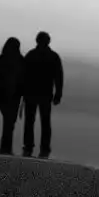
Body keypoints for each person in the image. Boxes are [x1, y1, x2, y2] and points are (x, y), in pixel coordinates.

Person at [18, 31, 64, 159]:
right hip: (40, 94)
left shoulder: (32, 55)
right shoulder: (52, 56)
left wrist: (58, 94)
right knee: (42, 122)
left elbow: (58, 77)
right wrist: (58, 94)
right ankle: (41, 148)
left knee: (33, 121)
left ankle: (31, 147)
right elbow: (58, 77)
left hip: (34, 94)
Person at [0, 37, 25, 155]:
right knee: (9, 122)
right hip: (10, 97)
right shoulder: (19, 60)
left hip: (8, 96)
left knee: (9, 122)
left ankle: (5, 147)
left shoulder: (2, 59)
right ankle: (5, 148)